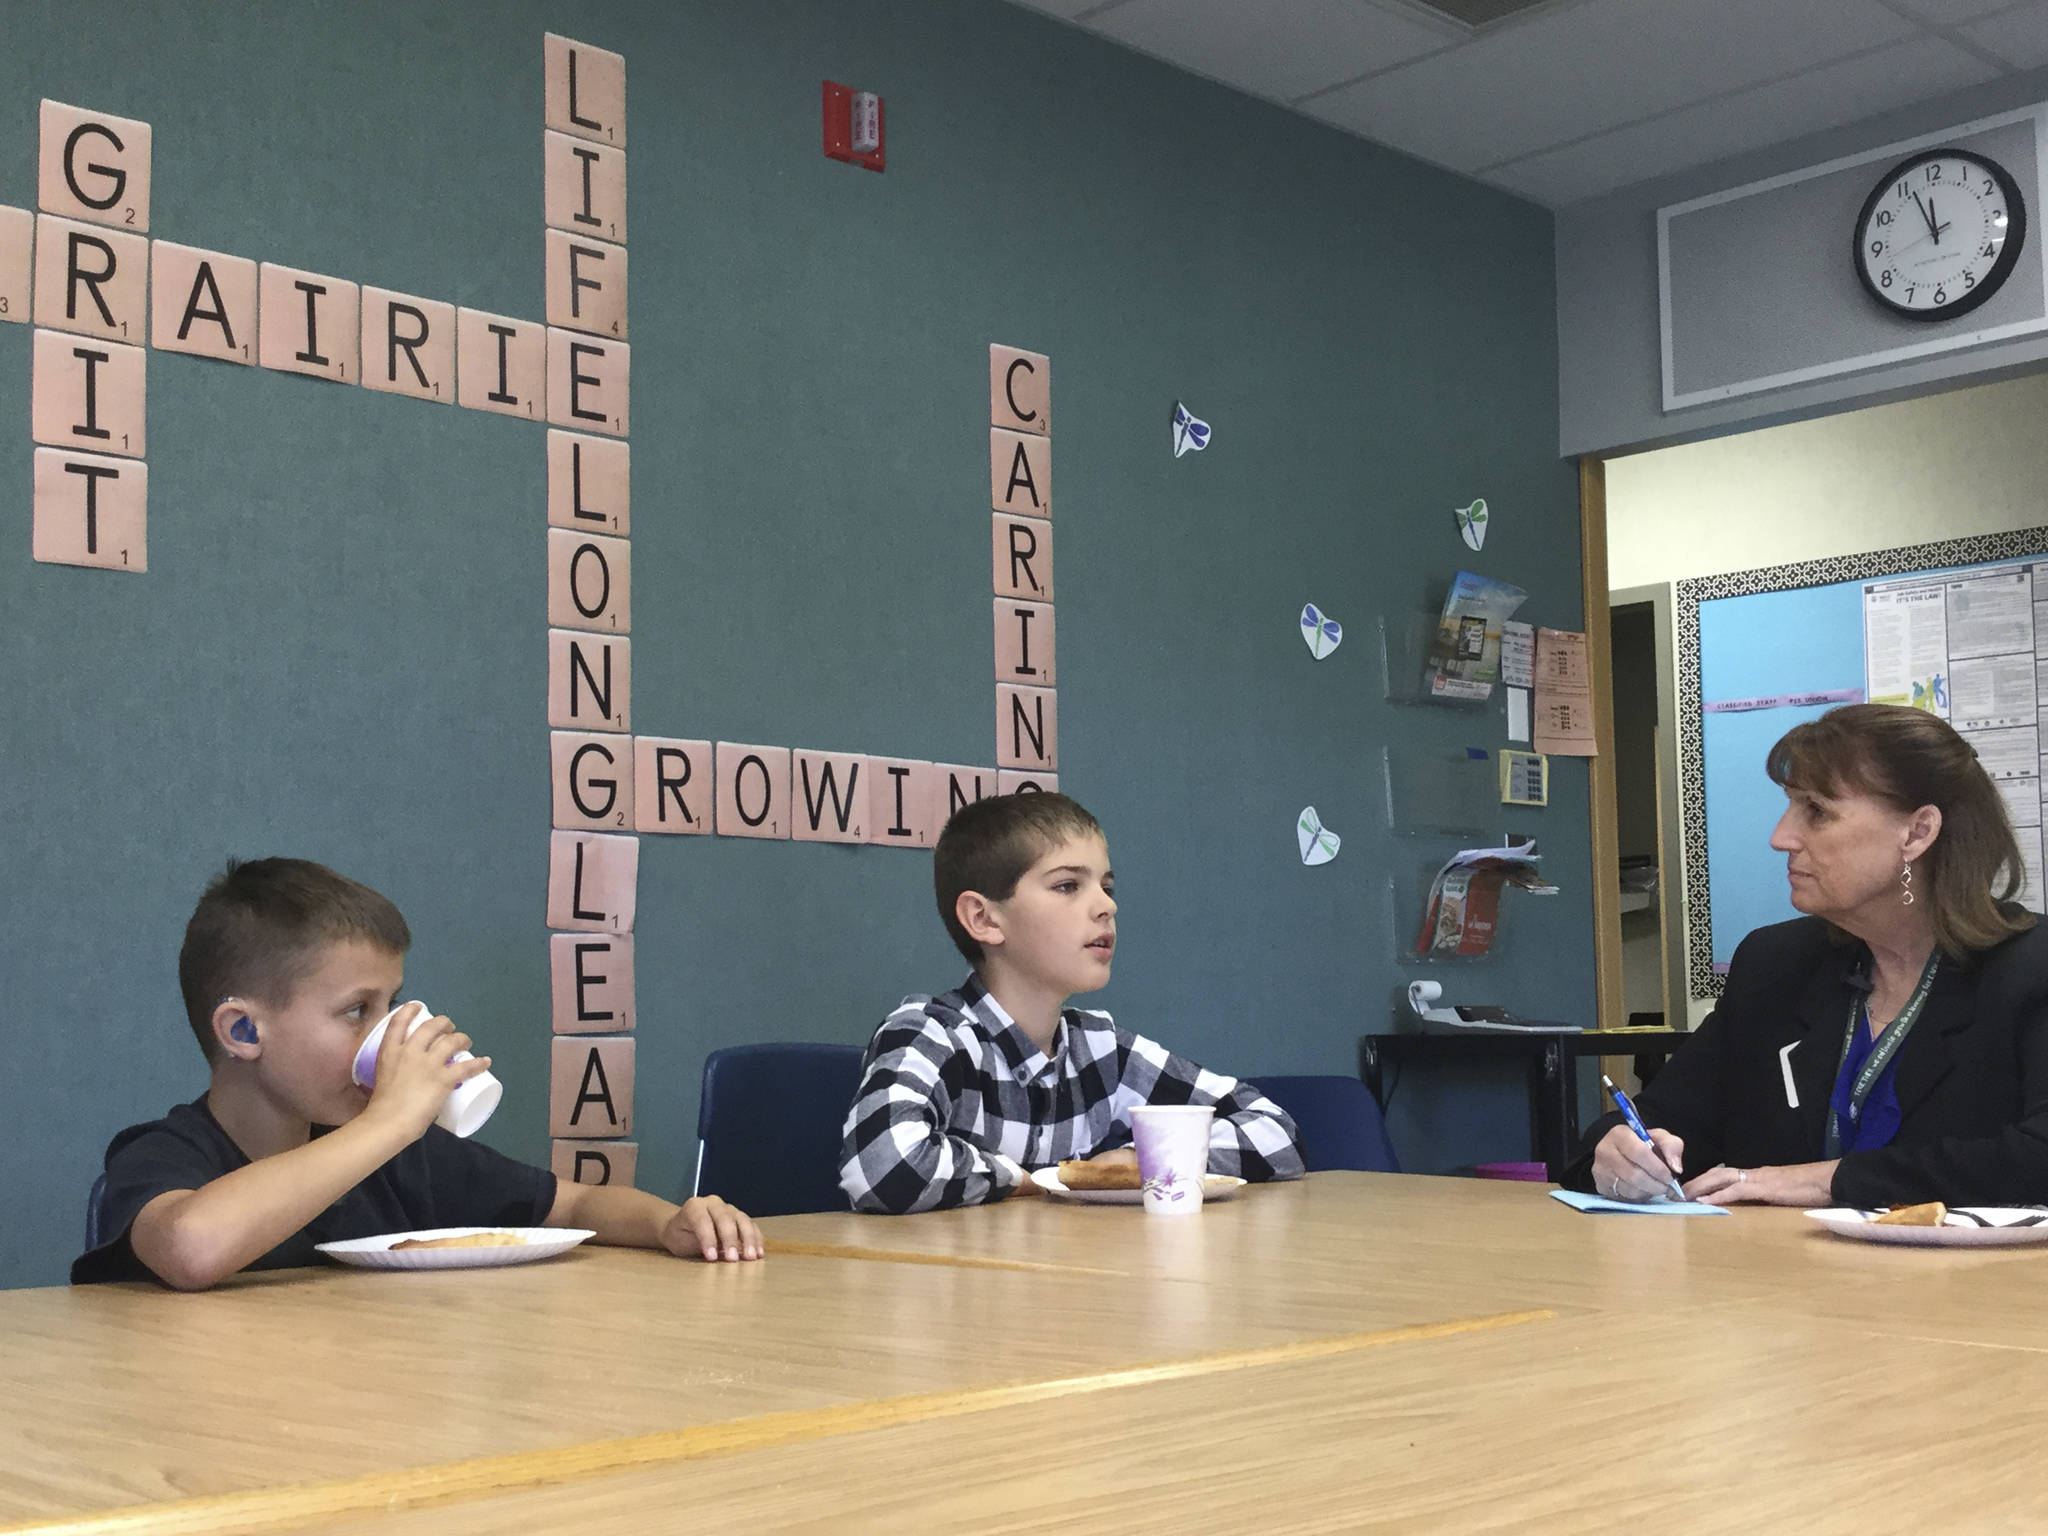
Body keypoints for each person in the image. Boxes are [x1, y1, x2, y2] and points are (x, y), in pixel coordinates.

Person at [74, 858, 762, 1288]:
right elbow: (192, 1249)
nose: (389, 1031)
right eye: (356, 1010)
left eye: (393, 1003)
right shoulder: (163, 1155)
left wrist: (671, 1222)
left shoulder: (400, 1154)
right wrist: (391, 1121)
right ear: (244, 1031)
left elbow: (573, 1204)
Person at [1569, 703, 2048, 1209]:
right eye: (1790, 806)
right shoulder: (1777, 964)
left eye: (1816, 811)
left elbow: (2035, 1157)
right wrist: (1618, 1155)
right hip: (1776, 1280)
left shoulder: (2030, 970)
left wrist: (1826, 1181)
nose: (1781, 838)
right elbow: (1653, 1122)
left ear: (1917, 833)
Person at [839, 792, 1304, 1214]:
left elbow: (1276, 1131)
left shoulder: (1101, 1050)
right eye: (1067, 886)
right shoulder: (929, 1033)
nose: (1106, 906)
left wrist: (1139, 1159)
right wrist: (1027, 1179)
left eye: (1108, 886)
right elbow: (883, 1167)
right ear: (984, 918)